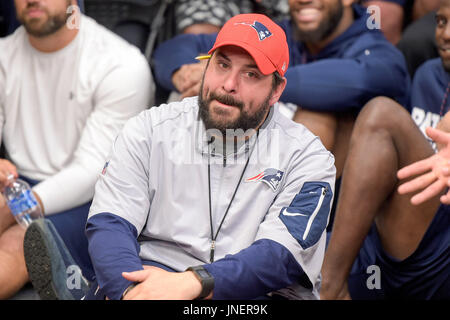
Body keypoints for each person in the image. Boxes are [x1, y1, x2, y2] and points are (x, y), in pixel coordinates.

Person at [24, 13, 336, 300]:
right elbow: (110, 223)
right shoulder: (149, 129)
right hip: (149, 278)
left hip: (251, 297)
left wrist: (191, 284)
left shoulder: (308, 158)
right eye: (222, 65)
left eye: (251, 74)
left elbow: (278, 258)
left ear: (277, 89)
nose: (228, 85)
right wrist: (128, 291)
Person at [152, 0, 410, 180]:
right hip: (243, 173)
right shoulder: (282, 33)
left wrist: (260, 80)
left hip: (336, 209)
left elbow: (365, 79)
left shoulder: (374, 46)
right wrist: (183, 71)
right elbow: (177, 47)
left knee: (319, 114)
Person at [0, 0, 153, 299]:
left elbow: (93, 169)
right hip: (19, 182)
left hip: (94, 197)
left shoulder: (119, 61)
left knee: (20, 244)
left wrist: (13, 207)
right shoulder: (3, 54)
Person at [320, 0, 450, 299]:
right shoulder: (427, 72)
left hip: (441, 242)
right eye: (441, 23)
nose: (445, 35)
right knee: (285, 260)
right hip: (402, 221)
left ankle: (331, 285)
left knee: (381, 114)